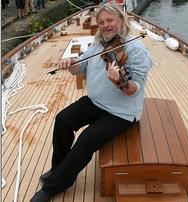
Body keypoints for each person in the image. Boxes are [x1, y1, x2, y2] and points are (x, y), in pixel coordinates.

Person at [30, 3, 153, 202]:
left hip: (120, 112)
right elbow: (82, 66)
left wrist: (119, 81)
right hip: (95, 102)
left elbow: (134, 88)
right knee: (62, 120)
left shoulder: (136, 48)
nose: (105, 25)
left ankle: (55, 186)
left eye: (110, 21)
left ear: (121, 21)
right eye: (102, 22)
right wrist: (70, 64)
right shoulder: (99, 42)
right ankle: (58, 169)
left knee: (85, 141)